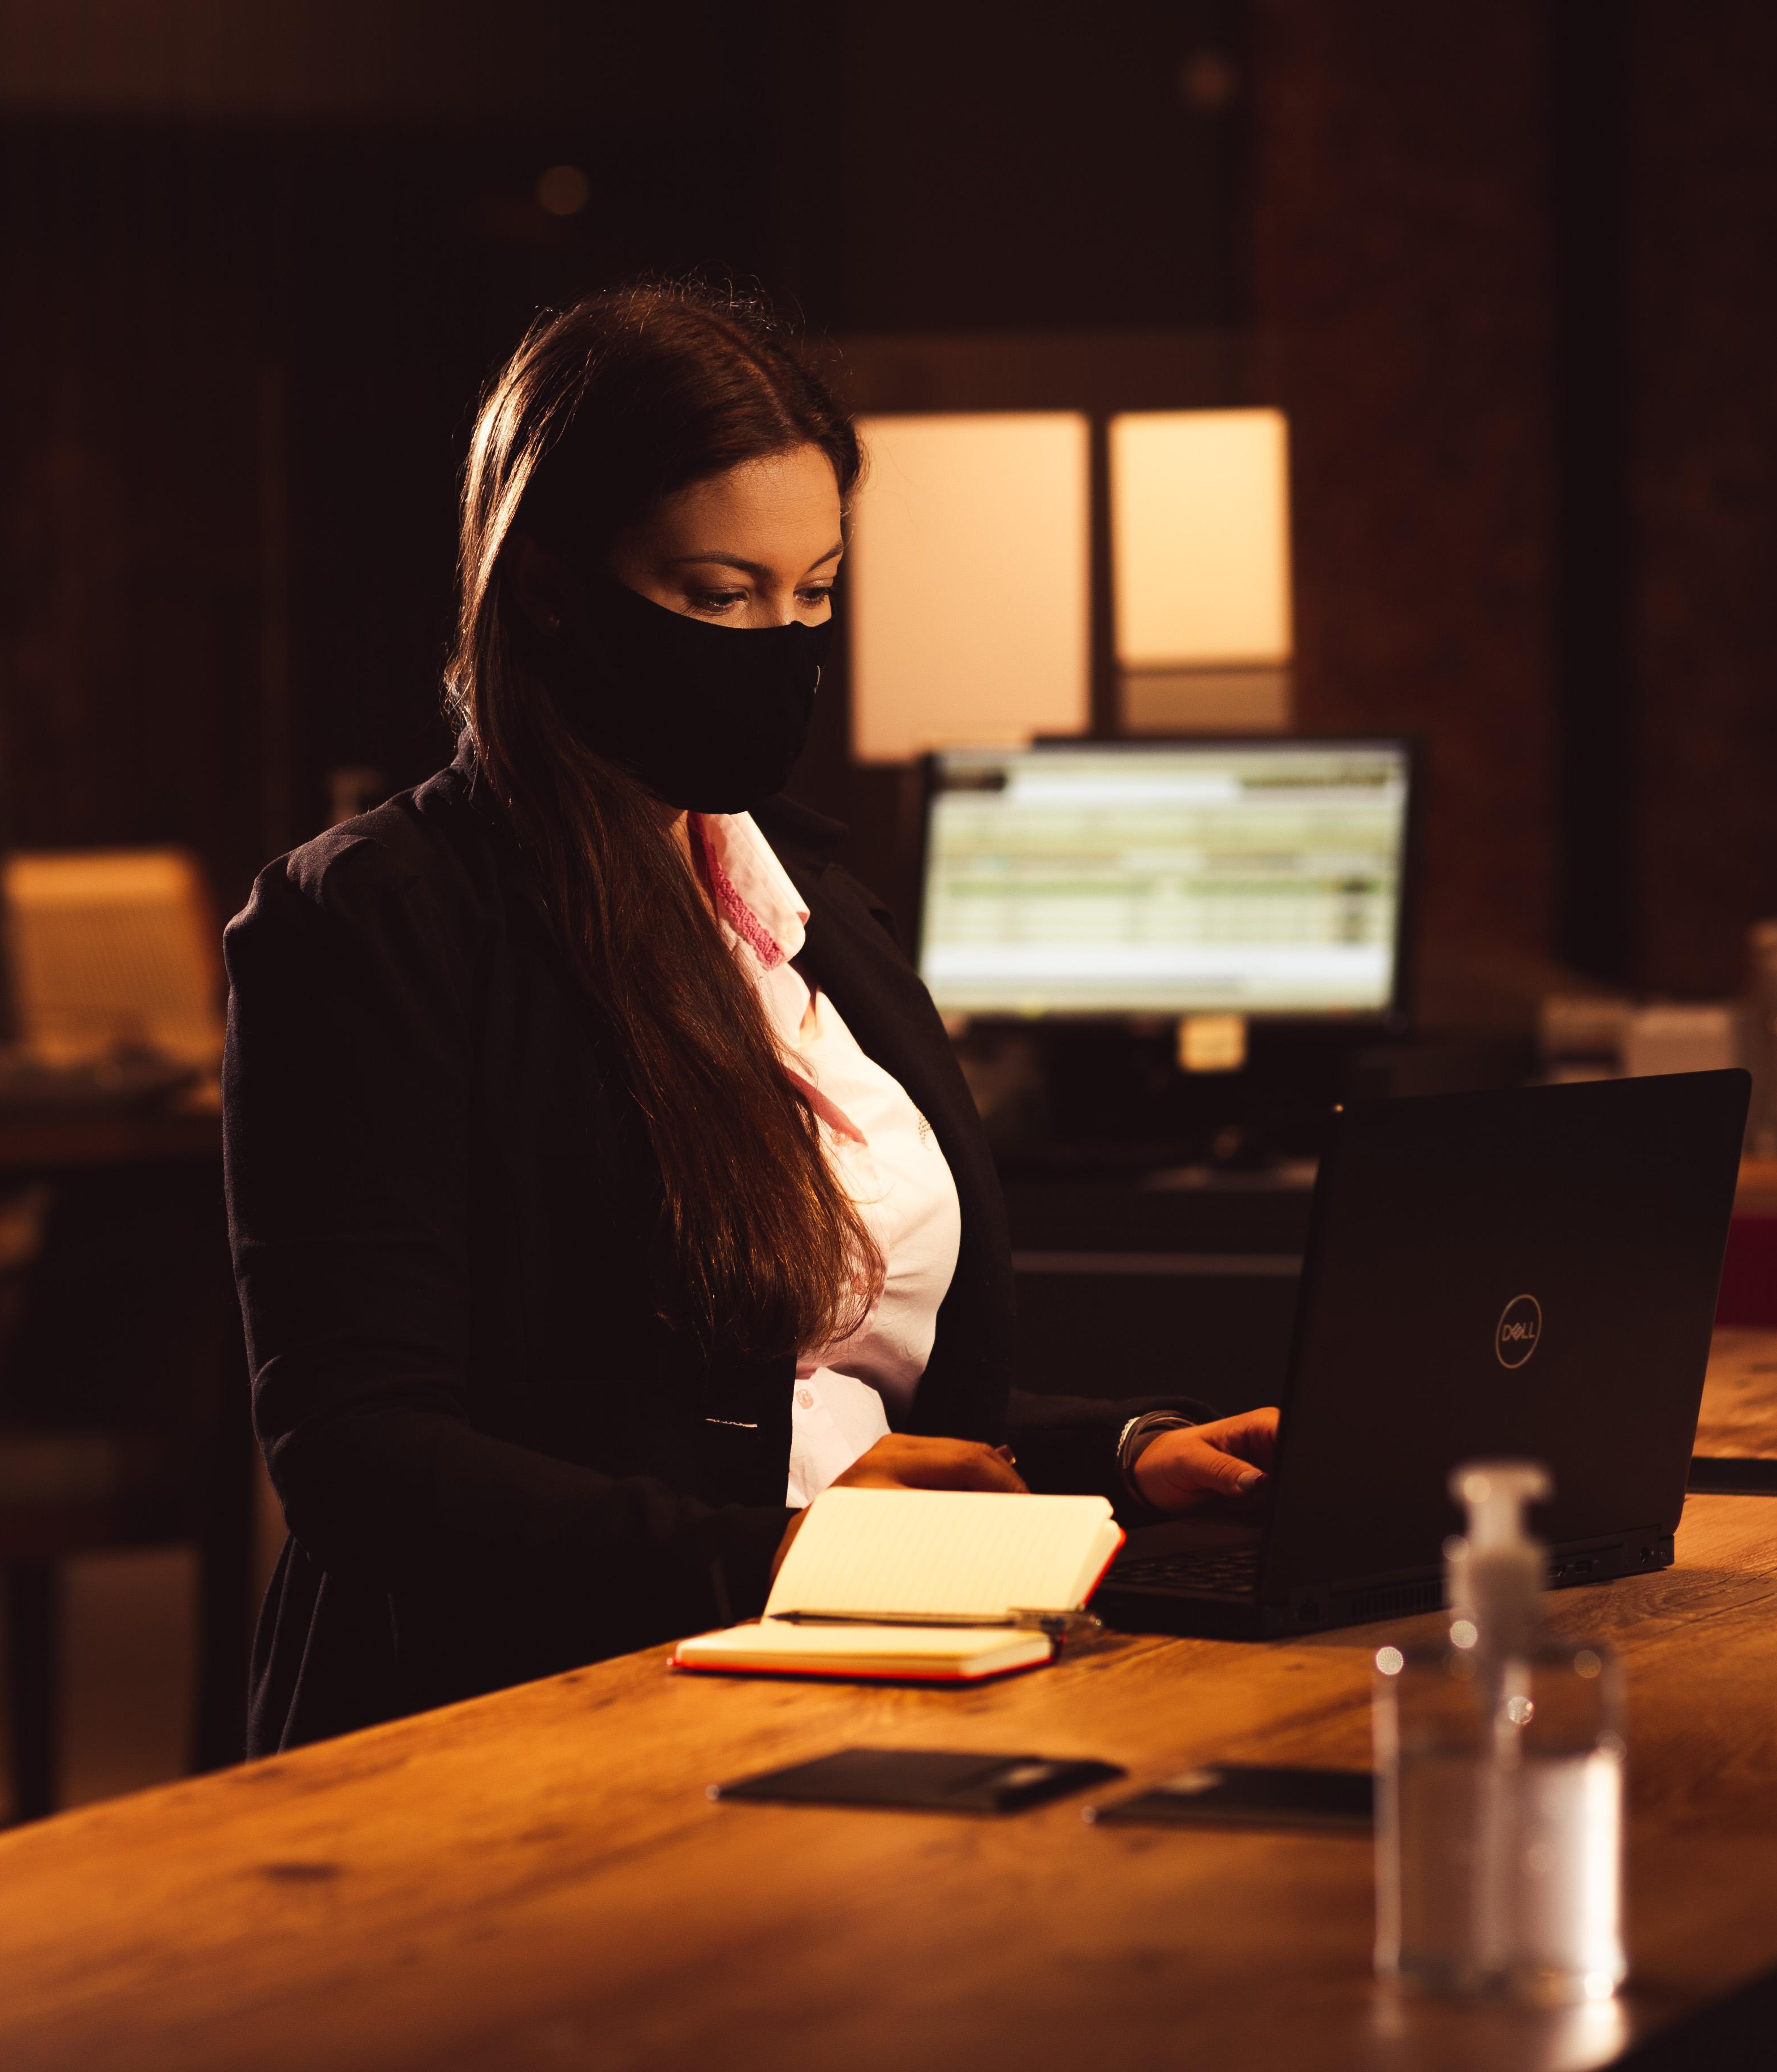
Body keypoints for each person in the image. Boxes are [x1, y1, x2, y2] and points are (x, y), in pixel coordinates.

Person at [222, 283, 1279, 1752]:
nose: (777, 641)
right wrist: (780, 1558)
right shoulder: (374, 923)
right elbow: (359, 1457)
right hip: (540, 1713)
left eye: (815, 591)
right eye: (718, 596)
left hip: (889, 1657)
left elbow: (831, 1394)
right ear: (549, 585)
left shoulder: (814, 902)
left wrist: (1119, 1451)